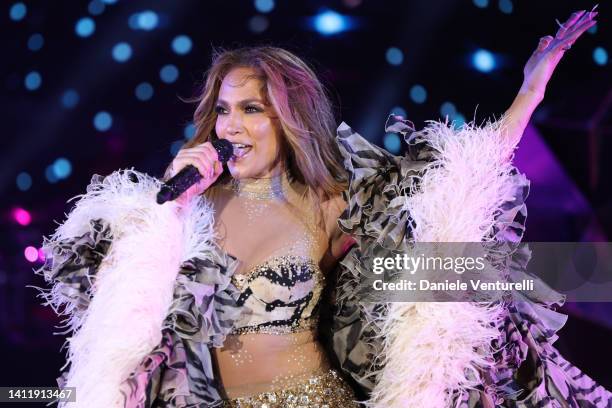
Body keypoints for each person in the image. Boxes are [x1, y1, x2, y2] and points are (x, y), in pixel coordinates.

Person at [35, 8, 610, 408]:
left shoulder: (325, 201)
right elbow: (111, 314)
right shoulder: (190, 209)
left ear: (286, 120)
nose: (231, 125)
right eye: (224, 109)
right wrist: (165, 214)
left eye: (251, 109)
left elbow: (451, 185)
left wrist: (529, 93)